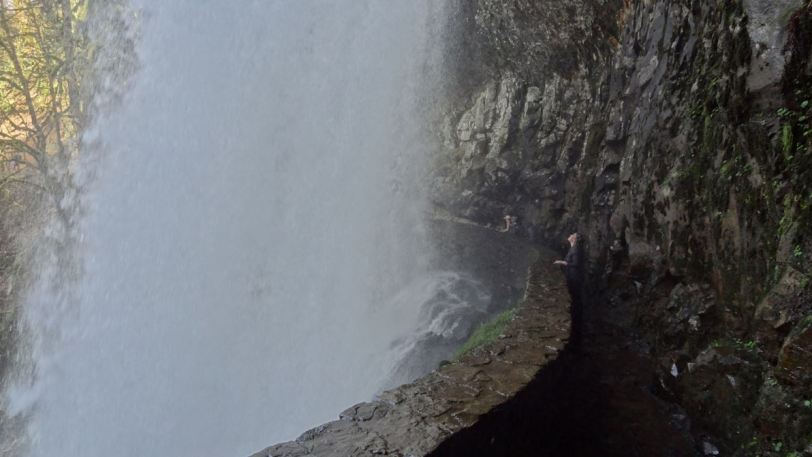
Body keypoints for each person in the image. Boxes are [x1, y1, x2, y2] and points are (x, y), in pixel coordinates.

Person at [554, 233, 581, 302]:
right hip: (570, 273)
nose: (570, 235)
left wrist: (562, 262)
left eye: (573, 235)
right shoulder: (572, 248)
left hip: (573, 275)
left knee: (572, 294)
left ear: (574, 239)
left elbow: (576, 263)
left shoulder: (575, 250)